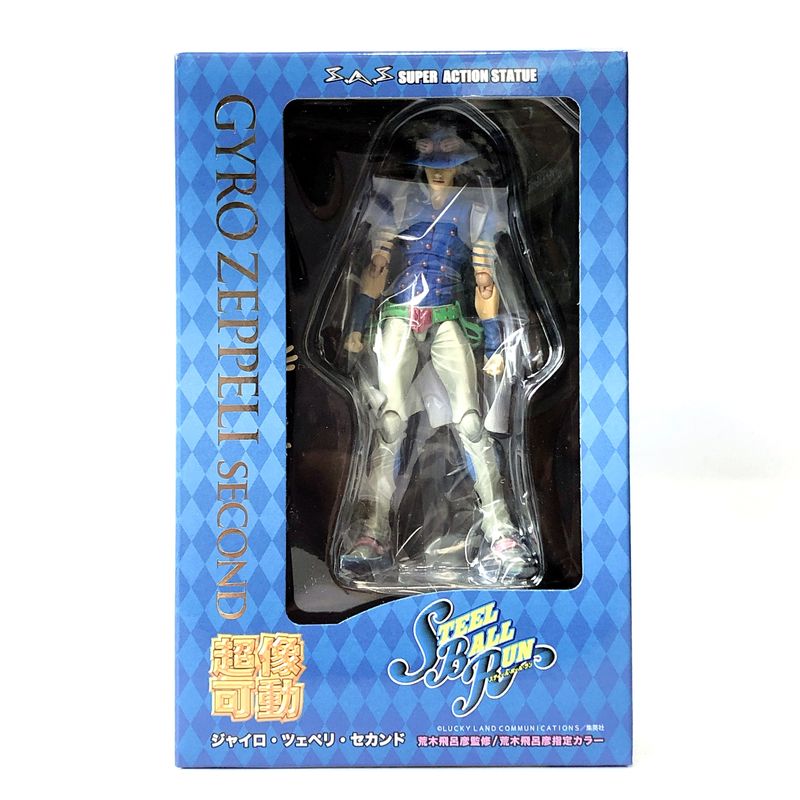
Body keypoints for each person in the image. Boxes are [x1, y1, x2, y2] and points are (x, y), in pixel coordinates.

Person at [341, 127, 539, 584]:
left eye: (447, 162)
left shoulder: (474, 208)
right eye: (431, 162)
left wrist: (495, 341)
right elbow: (377, 266)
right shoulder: (397, 203)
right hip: (398, 315)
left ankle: (501, 532)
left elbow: (485, 280)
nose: (438, 170)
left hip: (447, 315)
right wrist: (356, 324)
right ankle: (371, 533)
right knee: (390, 423)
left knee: (470, 422)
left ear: (460, 166)